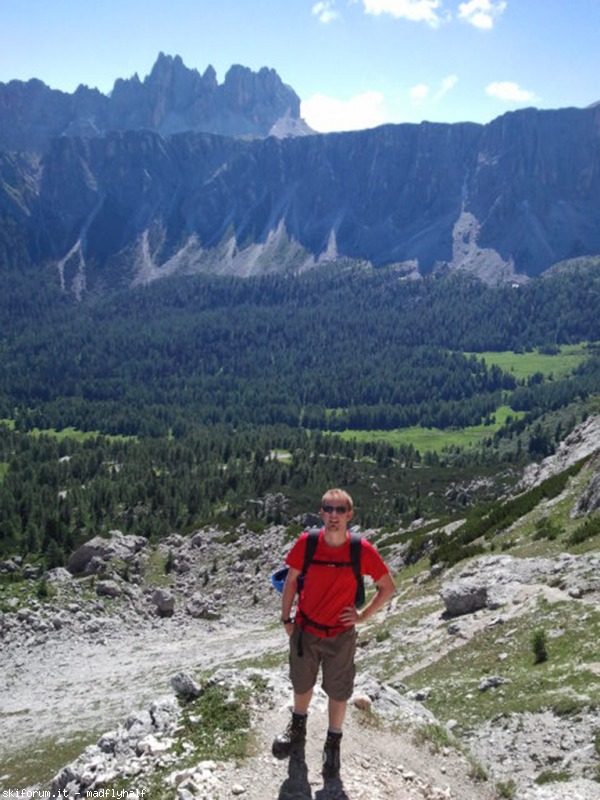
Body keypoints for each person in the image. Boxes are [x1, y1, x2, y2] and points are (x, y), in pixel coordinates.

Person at [272, 488, 396, 779]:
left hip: (340, 635)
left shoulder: (361, 550)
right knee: (302, 681)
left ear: (350, 515)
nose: (333, 515)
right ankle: (298, 727)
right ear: (322, 512)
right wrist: (286, 619)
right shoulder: (308, 542)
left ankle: (333, 741)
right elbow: (291, 580)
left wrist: (363, 616)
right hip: (306, 628)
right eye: (328, 509)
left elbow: (388, 587)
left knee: (338, 689)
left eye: (340, 510)